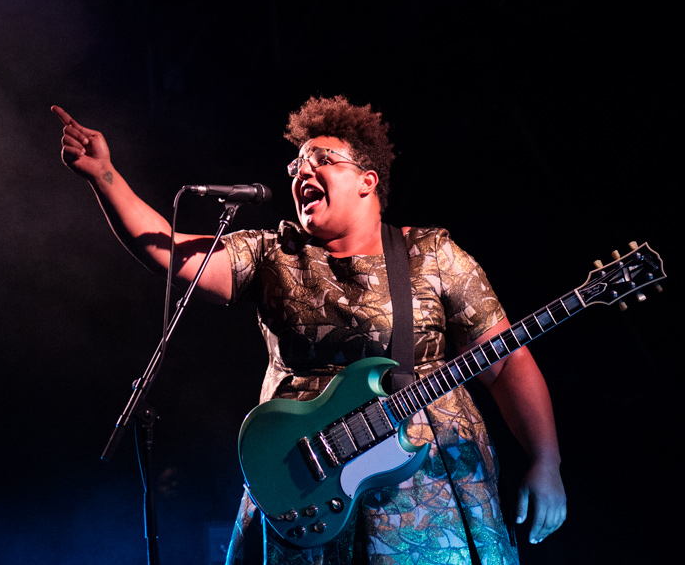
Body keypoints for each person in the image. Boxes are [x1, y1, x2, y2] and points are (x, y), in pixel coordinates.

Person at [52, 96, 567, 565]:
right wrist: (106, 177)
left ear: (368, 180)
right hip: (303, 487)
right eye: (297, 163)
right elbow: (170, 251)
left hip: (427, 494)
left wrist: (546, 462)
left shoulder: (430, 255)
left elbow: (506, 364)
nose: (303, 170)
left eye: (322, 159)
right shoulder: (275, 254)